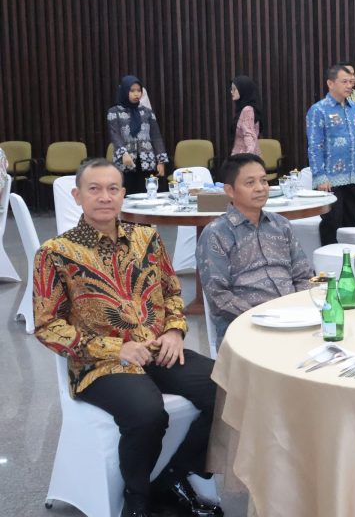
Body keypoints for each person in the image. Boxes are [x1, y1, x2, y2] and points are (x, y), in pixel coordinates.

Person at [32, 159, 221, 517]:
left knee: (227, 388)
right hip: (99, 364)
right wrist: (117, 348)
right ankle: (137, 501)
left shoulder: (146, 238)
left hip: (158, 348)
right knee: (147, 413)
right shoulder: (55, 253)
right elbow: (47, 325)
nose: (105, 197)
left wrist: (174, 330)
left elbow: (172, 292)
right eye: (94, 189)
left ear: (123, 194)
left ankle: (173, 477)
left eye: (113, 189)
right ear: (77, 195)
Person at [197, 154, 314, 346]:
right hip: (246, 327)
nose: (260, 188)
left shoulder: (281, 225)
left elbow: (303, 276)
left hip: (294, 319)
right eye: (250, 183)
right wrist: (263, 318)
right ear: (230, 191)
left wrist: (298, 309)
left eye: (264, 180)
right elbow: (219, 297)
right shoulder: (216, 233)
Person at [306, 63, 355, 246]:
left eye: (351, 82)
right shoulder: (318, 110)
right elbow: (314, 146)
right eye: (344, 82)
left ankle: (348, 260)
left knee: (350, 225)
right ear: (330, 83)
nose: (349, 86)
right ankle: (328, 260)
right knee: (331, 224)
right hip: (329, 180)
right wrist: (320, 177)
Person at [107, 75, 169, 194]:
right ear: (124, 91)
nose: (136, 94)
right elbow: (115, 135)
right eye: (132, 91)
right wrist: (123, 153)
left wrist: (161, 161)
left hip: (147, 161)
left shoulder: (147, 112)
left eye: (139, 90)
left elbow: (156, 136)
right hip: (125, 162)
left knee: (148, 195)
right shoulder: (114, 112)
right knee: (126, 195)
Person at [229, 75, 263, 155]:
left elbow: (249, 135)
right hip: (240, 154)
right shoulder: (243, 109)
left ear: (243, 90)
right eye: (231, 89)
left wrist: (249, 156)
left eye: (234, 89)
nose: (231, 92)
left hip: (243, 156)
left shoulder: (247, 110)